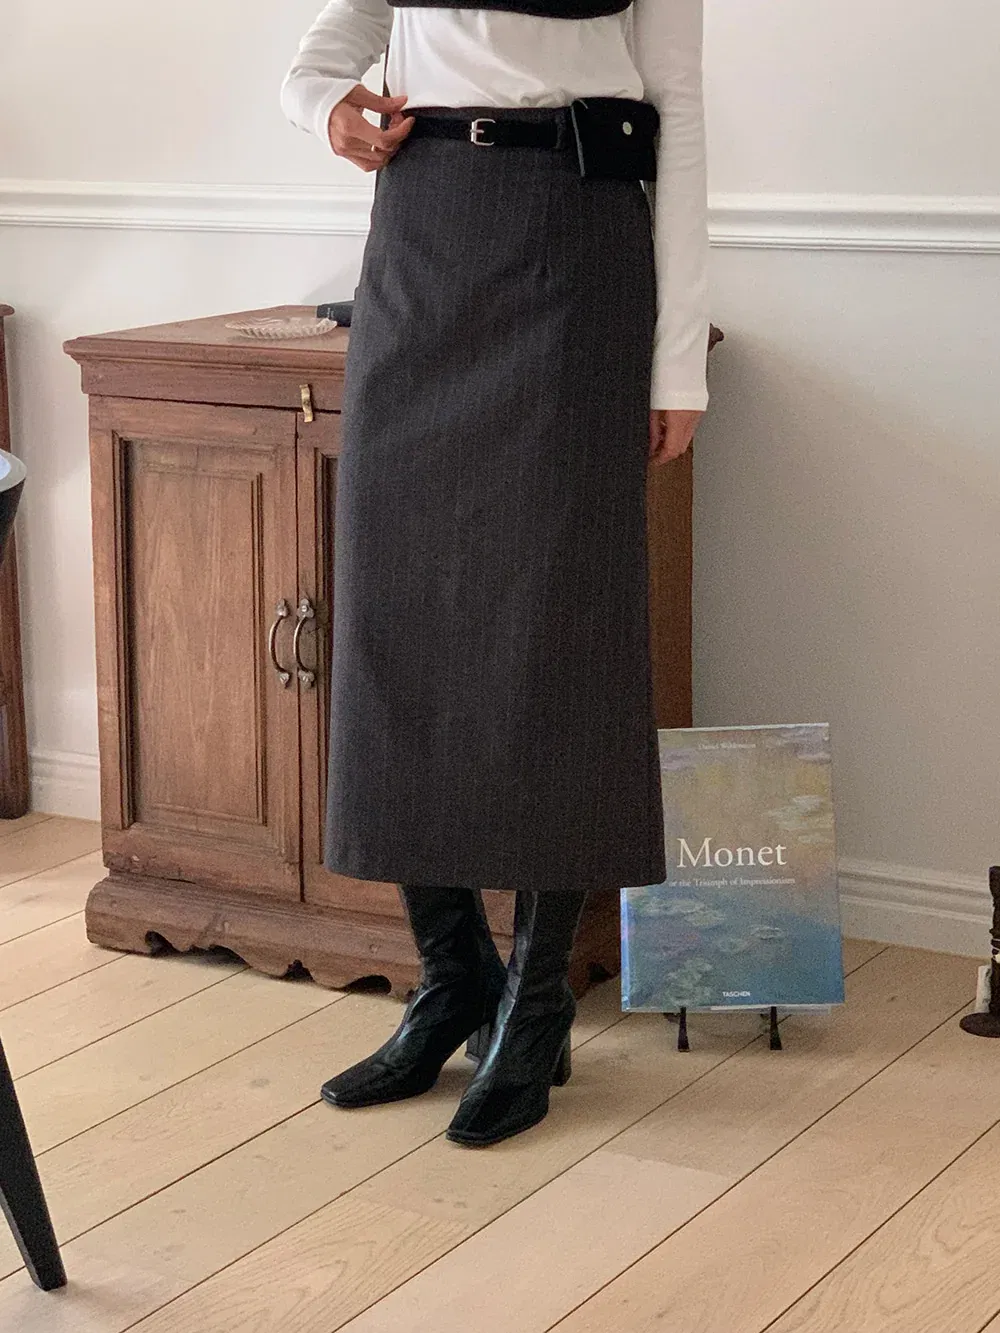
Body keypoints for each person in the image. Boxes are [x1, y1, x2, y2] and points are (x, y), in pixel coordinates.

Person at [281, 0, 709, 1147]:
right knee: (397, 611)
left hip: (577, 235)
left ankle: (535, 1001)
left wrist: (678, 362)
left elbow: (679, 110)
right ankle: (452, 974)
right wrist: (323, 108)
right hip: (423, 229)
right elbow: (322, 53)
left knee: (559, 621)